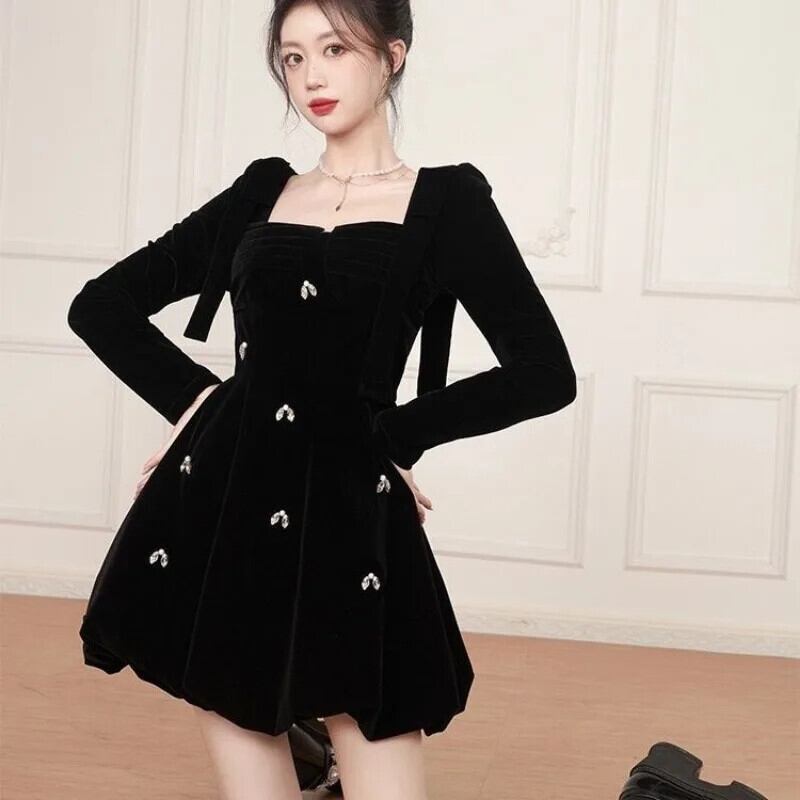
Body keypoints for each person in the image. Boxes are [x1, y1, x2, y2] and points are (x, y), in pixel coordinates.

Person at [67, 1, 577, 799]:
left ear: (393, 55)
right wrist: (199, 404)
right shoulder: (261, 192)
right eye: (293, 57)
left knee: (375, 735)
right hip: (229, 498)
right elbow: (101, 306)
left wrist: (393, 436)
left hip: (350, 507)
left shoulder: (447, 204)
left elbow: (545, 372)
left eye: (335, 49)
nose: (311, 76)